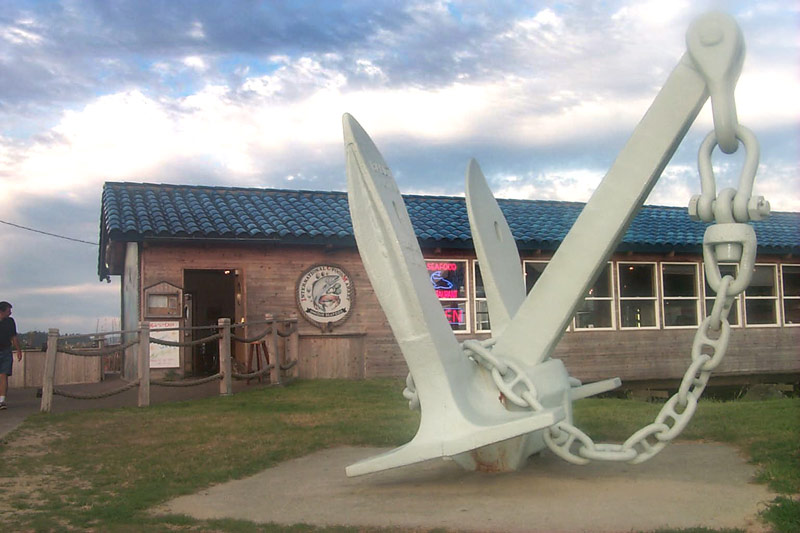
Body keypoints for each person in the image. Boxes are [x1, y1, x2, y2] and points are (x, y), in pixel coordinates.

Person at [0, 301, 23, 410]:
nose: (10, 312)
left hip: (6, 350)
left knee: (3, 375)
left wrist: (18, 350)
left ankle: (2, 400)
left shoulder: (10, 322)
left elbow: (14, 337)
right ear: (2, 311)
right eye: (9, 310)